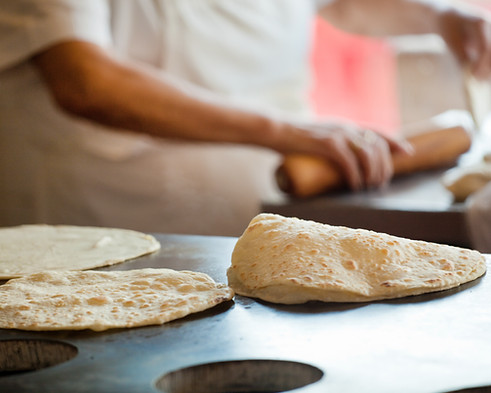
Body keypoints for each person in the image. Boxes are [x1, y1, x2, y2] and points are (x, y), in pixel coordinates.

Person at [0, 0, 490, 236]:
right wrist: (283, 129)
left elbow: (341, 2)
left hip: (274, 212)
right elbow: (86, 82)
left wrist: (441, 16)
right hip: (106, 225)